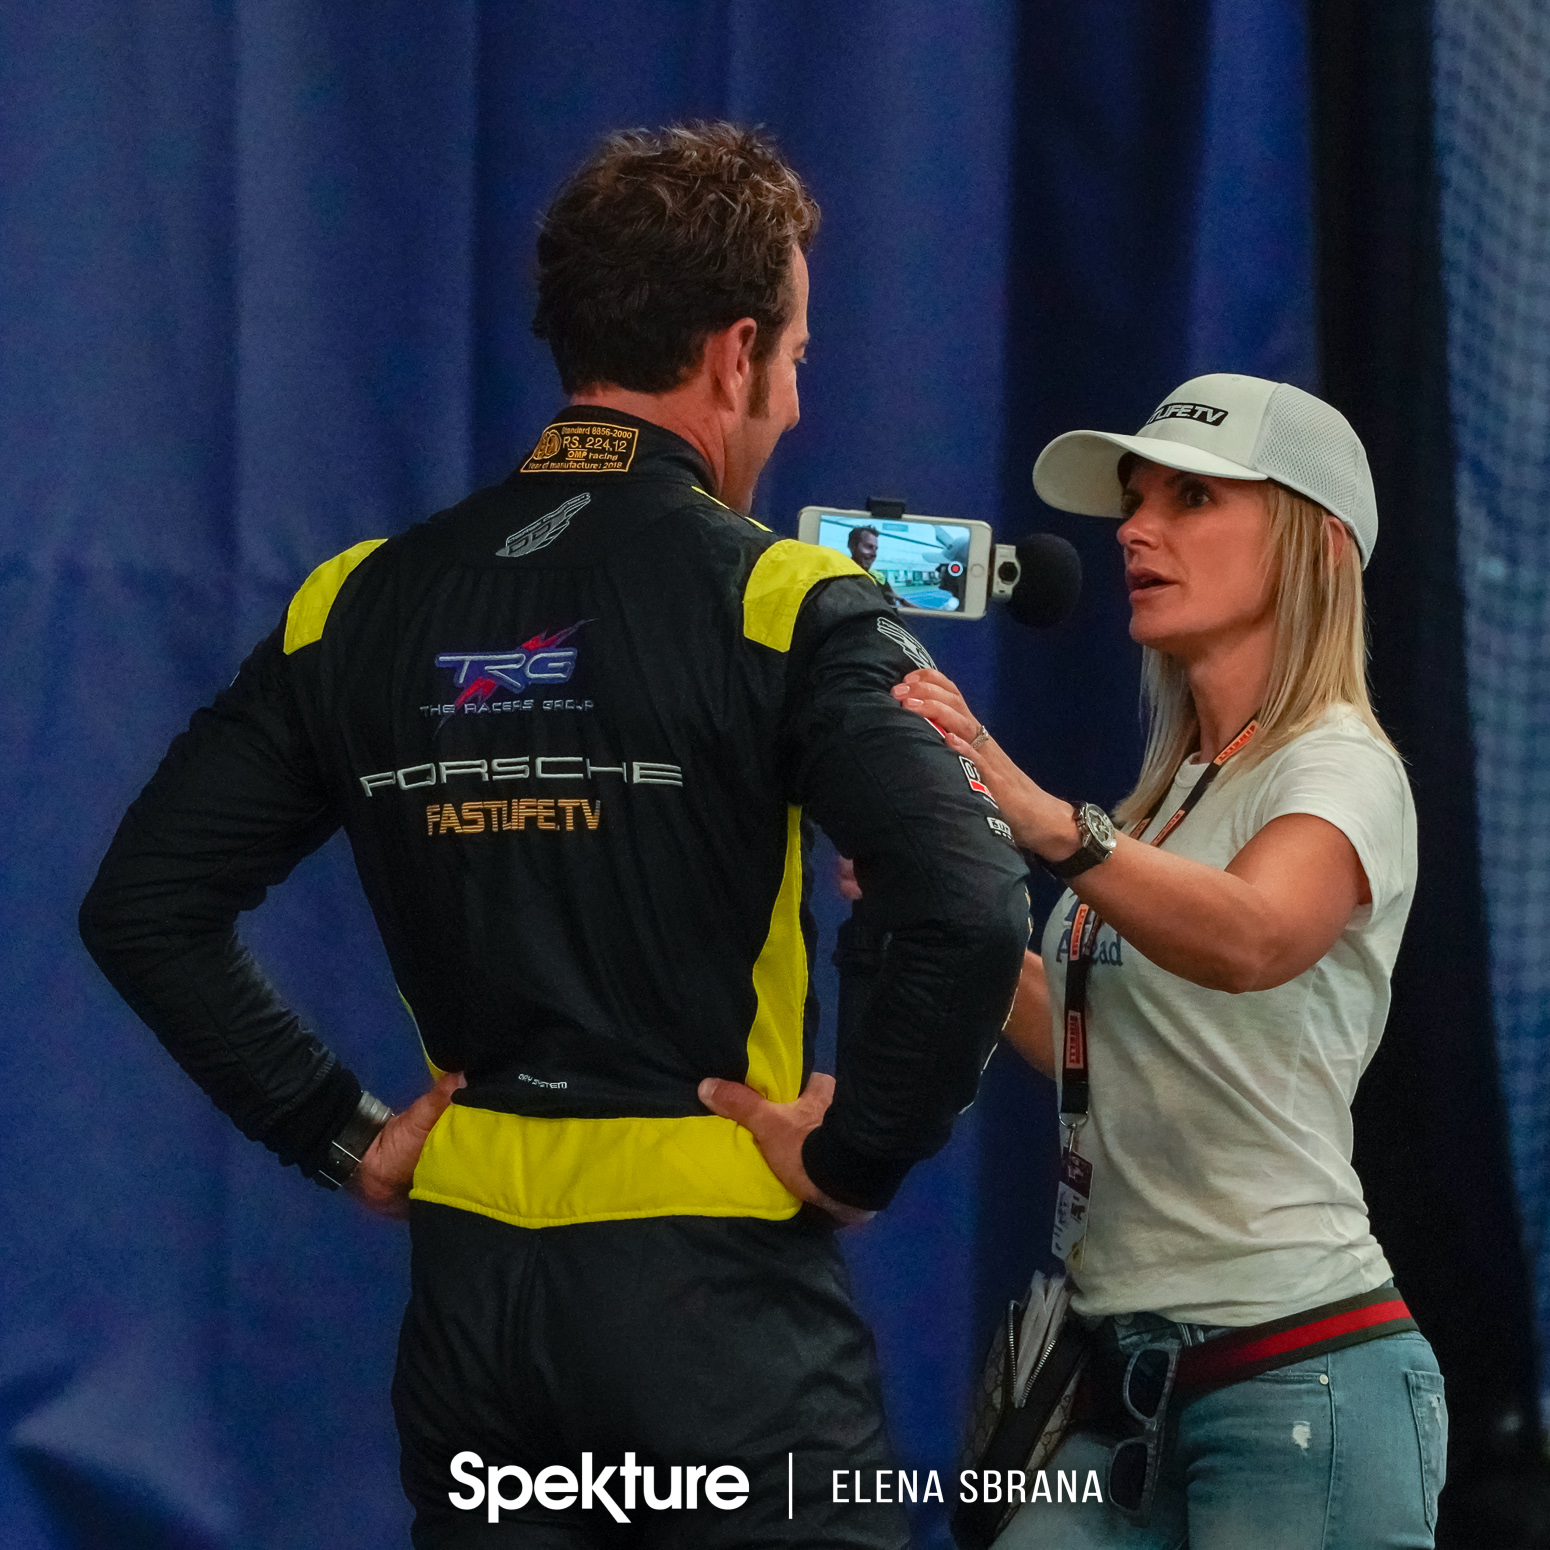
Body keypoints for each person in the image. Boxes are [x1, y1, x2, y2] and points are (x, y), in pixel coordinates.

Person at [78, 122, 1028, 1548]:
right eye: (796, 362)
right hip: (713, 1314)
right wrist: (857, 1156)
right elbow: (964, 898)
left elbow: (143, 902)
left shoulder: (355, 599)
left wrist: (336, 1134)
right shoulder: (778, 596)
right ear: (733, 354)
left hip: (474, 1319)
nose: (789, 403)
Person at [893, 374, 1446, 1548]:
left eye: (1191, 497)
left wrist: (1050, 824)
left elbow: (1251, 937)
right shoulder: (1175, 790)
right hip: (1120, 1376)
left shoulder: (1340, 766)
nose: (1135, 527)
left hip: (1299, 1374)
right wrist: (920, 889)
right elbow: (1102, 1033)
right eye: (1136, 499)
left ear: (1315, 543)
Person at [846, 523, 902, 608]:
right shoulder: (840, 579)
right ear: (852, 546)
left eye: (875, 549)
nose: (874, 554)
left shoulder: (879, 577)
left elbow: (898, 599)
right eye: (869, 547)